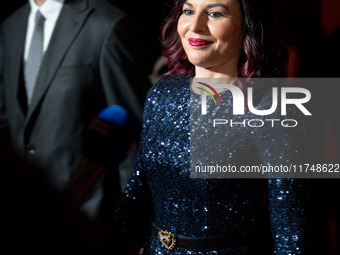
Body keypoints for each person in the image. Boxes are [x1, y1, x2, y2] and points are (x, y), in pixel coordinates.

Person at [115, 0, 309, 254]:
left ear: (246, 27)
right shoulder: (161, 94)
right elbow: (138, 189)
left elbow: (290, 229)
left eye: (215, 14)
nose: (195, 26)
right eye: (188, 11)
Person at [0, 0, 150, 222]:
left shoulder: (107, 24)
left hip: (89, 216)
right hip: (25, 214)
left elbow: (135, 136)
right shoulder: (10, 26)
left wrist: (134, 225)